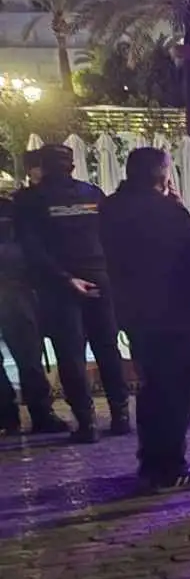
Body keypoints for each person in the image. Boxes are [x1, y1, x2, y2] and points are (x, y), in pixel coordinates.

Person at [101, 147, 190, 492]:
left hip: (135, 314)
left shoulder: (110, 209)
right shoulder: (169, 214)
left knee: (151, 389)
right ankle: (171, 467)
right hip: (177, 316)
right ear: (163, 176)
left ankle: (150, 461)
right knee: (177, 393)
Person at [13, 143, 131, 442]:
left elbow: (32, 248)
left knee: (70, 353)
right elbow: (114, 236)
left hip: (59, 285)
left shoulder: (29, 200)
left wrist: (66, 278)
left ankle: (87, 423)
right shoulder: (92, 194)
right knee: (107, 347)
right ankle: (121, 416)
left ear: (42, 167)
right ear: (73, 166)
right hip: (99, 278)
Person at [1, 182, 65, 435]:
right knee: (29, 356)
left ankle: (13, 416)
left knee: (29, 356)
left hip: (15, 288)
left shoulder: (11, 208)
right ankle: (38, 414)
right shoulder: (12, 208)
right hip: (15, 287)